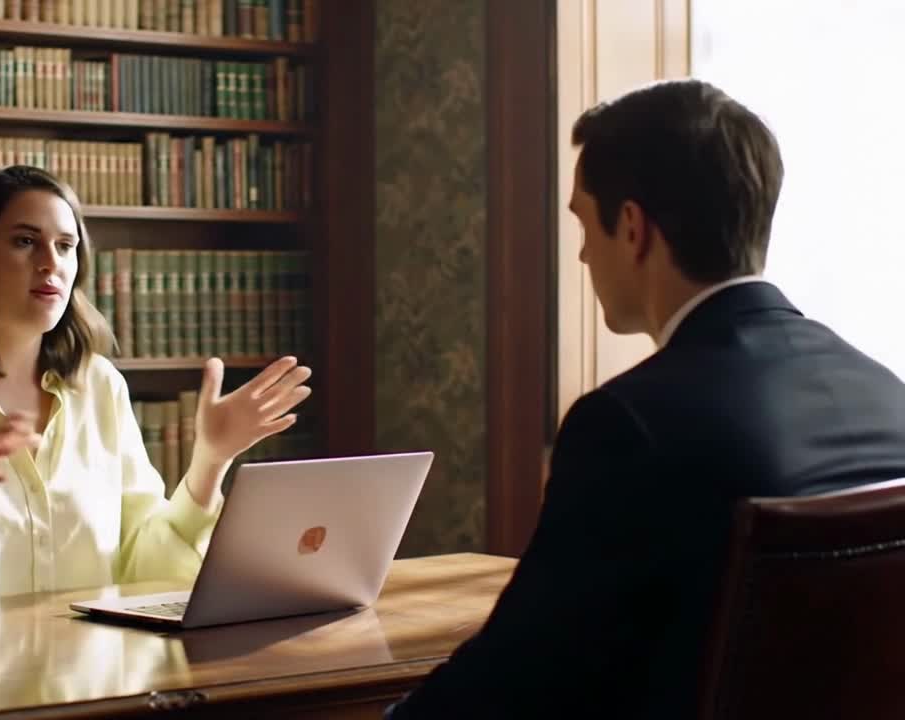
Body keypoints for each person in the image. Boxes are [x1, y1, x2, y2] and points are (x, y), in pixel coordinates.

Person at [388, 79, 905, 718]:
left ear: (632, 228)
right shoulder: (889, 397)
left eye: (583, 220)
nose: (581, 252)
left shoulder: (629, 428)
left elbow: (512, 680)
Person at [0, 166, 311, 609]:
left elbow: (146, 573)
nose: (50, 263)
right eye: (24, 241)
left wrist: (210, 460)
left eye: (66, 245)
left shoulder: (99, 385)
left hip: (92, 679)